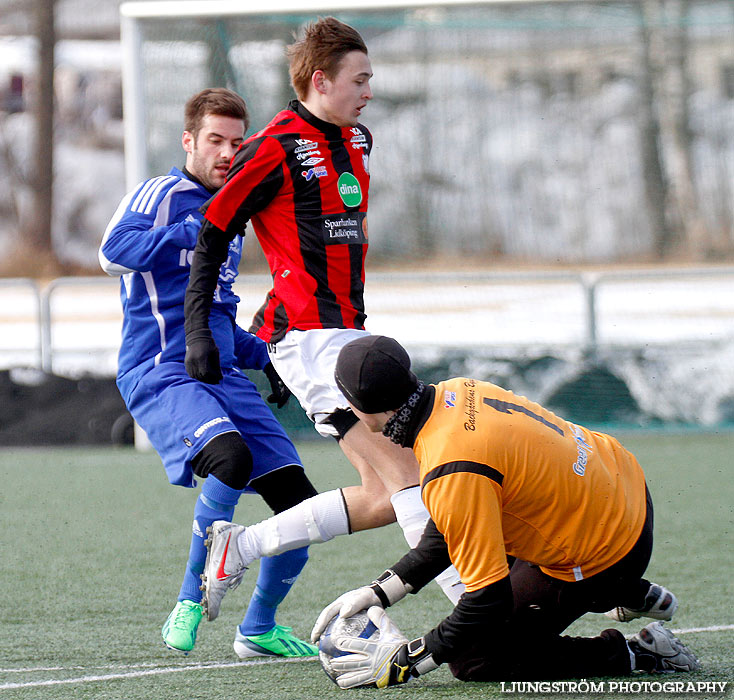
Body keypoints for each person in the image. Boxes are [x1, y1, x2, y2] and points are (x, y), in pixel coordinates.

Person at [183, 17, 463, 619]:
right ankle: (475, 610)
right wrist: (199, 331)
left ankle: (245, 543)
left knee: (384, 495)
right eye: (359, 79)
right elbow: (211, 236)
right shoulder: (273, 147)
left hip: (347, 338)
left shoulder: (358, 140)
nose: (368, 90)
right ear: (319, 80)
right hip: (310, 343)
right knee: (411, 474)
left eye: (370, 79)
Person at [306, 335, 700, 688]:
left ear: (364, 409)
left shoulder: (450, 466)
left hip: (609, 547)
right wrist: (380, 591)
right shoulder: (457, 391)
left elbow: (485, 600)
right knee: (494, 532)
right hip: (619, 480)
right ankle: (624, 591)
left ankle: (639, 651)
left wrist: (408, 662)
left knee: (475, 657)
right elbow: (451, 522)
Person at [98, 88, 319, 659]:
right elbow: (111, 252)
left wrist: (271, 355)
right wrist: (190, 232)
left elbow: (218, 317)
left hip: (220, 371)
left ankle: (258, 630)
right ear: (189, 141)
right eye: (214, 140)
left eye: (236, 142)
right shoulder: (166, 194)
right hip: (161, 369)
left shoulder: (235, 211)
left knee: (304, 513)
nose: (226, 152)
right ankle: (190, 599)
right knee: (229, 459)